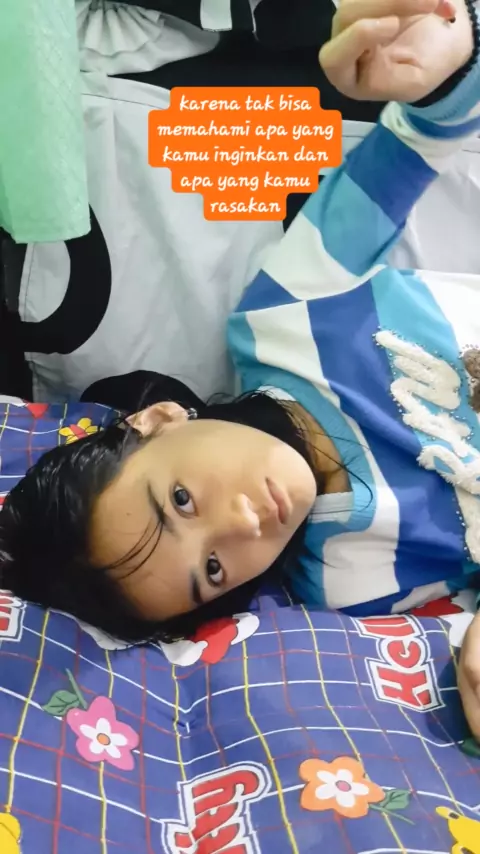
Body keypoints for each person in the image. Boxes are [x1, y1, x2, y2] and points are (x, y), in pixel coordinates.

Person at [1, 0, 480, 731]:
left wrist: (443, 58)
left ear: (160, 419)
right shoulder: (349, 583)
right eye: (212, 571)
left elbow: (418, 142)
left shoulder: (285, 314)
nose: (242, 524)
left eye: (181, 501)